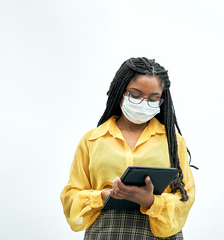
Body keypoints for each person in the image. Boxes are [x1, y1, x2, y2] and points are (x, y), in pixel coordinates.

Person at [60, 57, 196, 239]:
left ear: (162, 99)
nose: (144, 103)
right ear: (120, 91)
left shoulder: (173, 141)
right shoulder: (92, 140)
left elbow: (185, 198)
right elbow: (71, 198)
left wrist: (150, 201)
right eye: (136, 95)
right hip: (105, 233)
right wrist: (104, 195)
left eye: (153, 98)